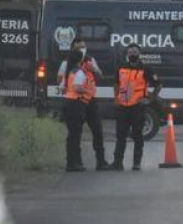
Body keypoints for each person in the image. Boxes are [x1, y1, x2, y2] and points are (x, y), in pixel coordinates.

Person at [58, 40, 108, 170]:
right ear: (73, 48)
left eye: (84, 46)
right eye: (79, 47)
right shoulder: (66, 63)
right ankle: (76, 161)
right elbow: (61, 81)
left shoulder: (90, 61)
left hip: (90, 101)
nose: (82, 49)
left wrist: (95, 69)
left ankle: (101, 161)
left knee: (97, 130)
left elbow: (101, 75)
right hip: (77, 101)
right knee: (75, 133)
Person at [112, 43, 160, 171]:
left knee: (137, 135)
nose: (132, 53)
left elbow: (158, 85)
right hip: (122, 106)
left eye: (135, 51)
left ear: (139, 54)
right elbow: (116, 84)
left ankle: (136, 163)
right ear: (127, 54)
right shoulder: (121, 67)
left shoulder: (146, 69)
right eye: (130, 51)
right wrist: (116, 98)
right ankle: (117, 162)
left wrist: (150, 99)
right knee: (120, 135)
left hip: (138, 107)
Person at [62, 47, 91, 172]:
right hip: (75, 103)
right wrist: (88, 90)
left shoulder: (71, 71)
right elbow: (77, 87)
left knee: (71, 135)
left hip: (69, 103)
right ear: (81, 59)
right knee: (75, 135)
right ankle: (73, 163)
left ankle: (71, 161)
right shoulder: (79, 72)